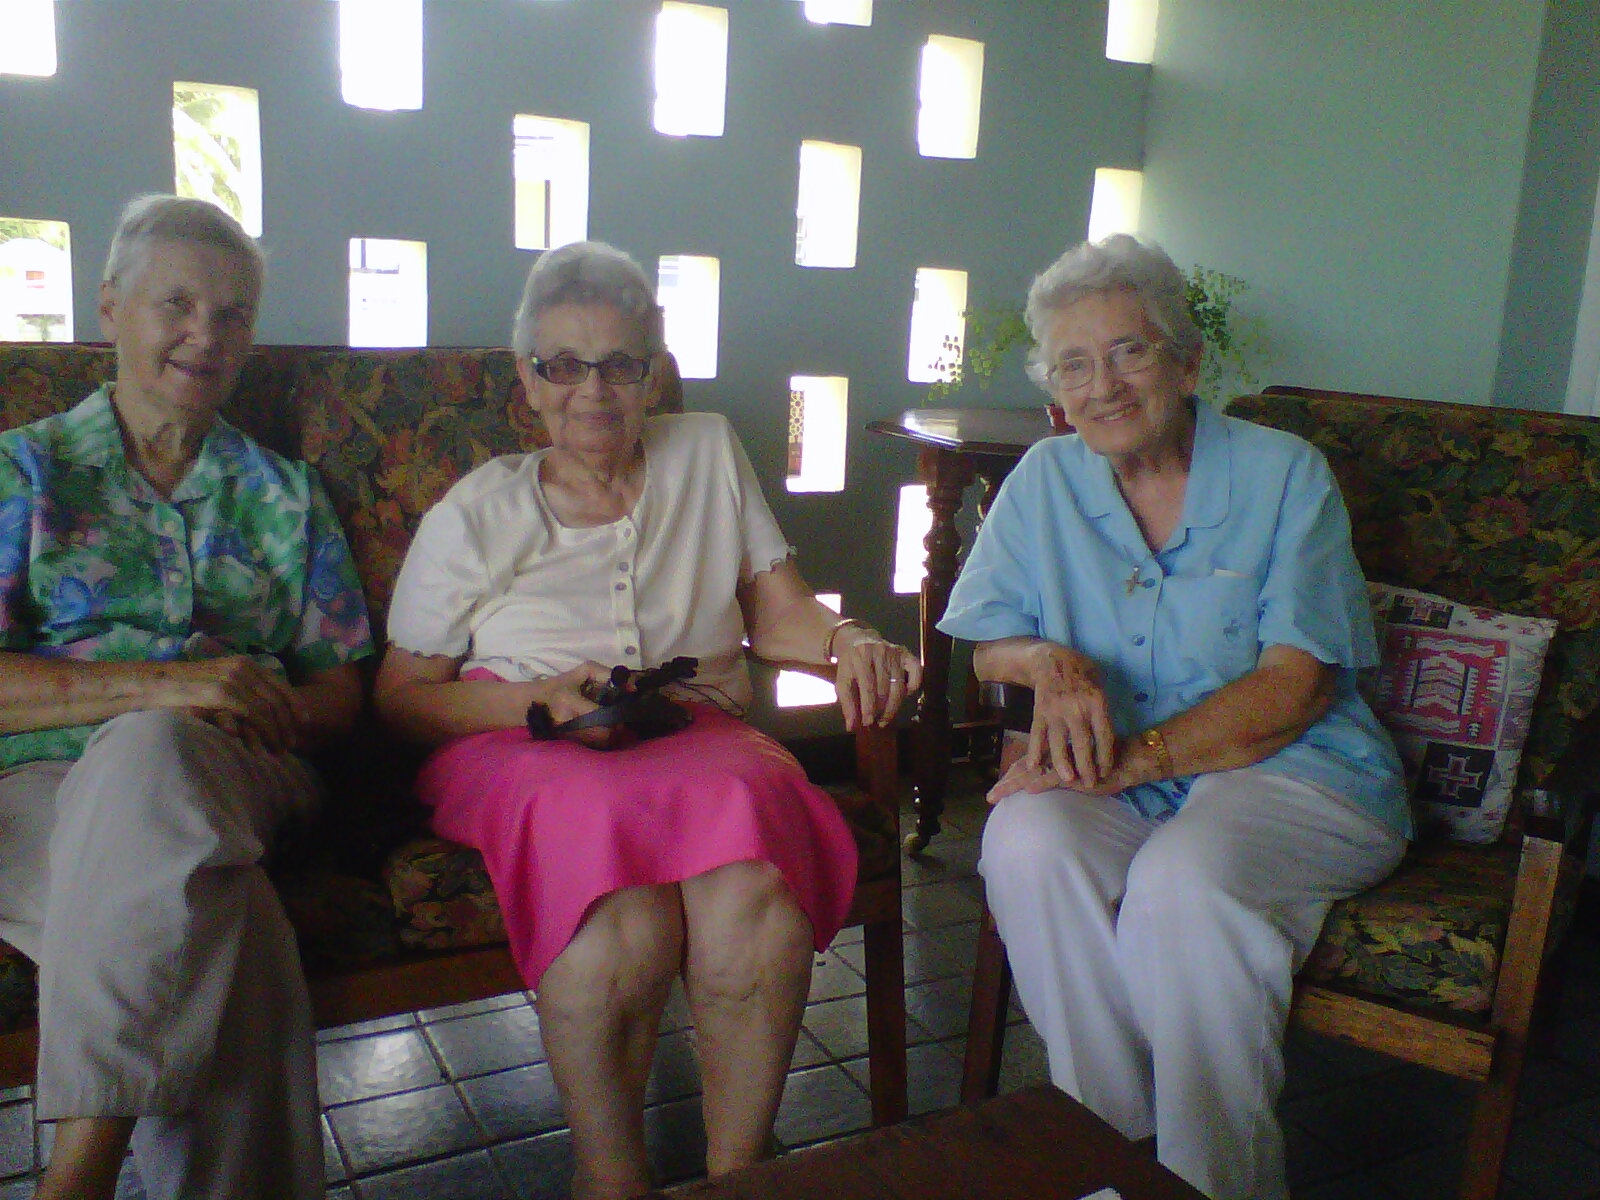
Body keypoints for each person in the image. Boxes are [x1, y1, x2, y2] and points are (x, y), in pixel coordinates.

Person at [373, 240, 921, 1200]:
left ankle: (738, 1174)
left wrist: (851, 640)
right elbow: (402, 698)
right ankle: (611, 1181)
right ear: (528, 382)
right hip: (520, 740)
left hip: (689, 735)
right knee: (615, 913)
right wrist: (540, 701)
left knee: (756, 882)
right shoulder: (478, 510)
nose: (593, 390)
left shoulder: (706, 450)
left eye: (620, 364)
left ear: (655, 373)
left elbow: (779, 613)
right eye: (563, 365)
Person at [937, 234, 1410, 1200]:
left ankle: (1211, 1182)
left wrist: (1131, 760)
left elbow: (1298, 687)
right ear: (1055, 391)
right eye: (1074, 364)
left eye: (1129, 352)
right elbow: (987, 644)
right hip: (1122, 773)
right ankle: (1112, 1157)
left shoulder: (1285, 474)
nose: (1103, 385)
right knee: (1025, 842)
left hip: (1294, 771)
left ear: (1186, 363)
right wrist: (1051, 664)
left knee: (1183, 882)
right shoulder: (1043, 481)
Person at [0, 195, 373, 1200]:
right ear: (110, 307)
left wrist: (254, 706)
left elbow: (340, 690)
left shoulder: (285, 493)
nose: (205, 334)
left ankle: (77, 1178)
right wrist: (165, 685)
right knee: (232, 929)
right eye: (177, 303)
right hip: (32, 786)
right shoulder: (21, 472)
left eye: (232, 313)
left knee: (155, 754)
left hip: (236, 769)